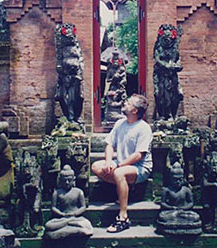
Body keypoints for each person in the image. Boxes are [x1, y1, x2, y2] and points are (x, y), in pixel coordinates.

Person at [91, 94, 152, 233]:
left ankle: (123, 217)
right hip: (122, 163)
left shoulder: (144, 128)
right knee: (96, 166)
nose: (125, 102)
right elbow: (109, 144)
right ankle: (126, 190)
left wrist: (118, 166)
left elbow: (138, 155)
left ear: (135, 110)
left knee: (118, 173)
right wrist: (108, 162)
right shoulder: (120, 123)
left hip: (140, 167)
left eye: (129, 102)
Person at [44, 165, 93, 239]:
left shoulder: (78, 192)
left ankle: (68, 227)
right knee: (48, 225)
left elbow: (83, 207)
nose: (67, 182)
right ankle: (72, 227)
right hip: (62, 218)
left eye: (69, 180)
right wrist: (61, 214)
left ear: (73, 180)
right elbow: (53, 207)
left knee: (86, 223)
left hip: (75, 218)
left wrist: (74, 213)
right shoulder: (57, 192)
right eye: (64, 180)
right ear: (60, 180)